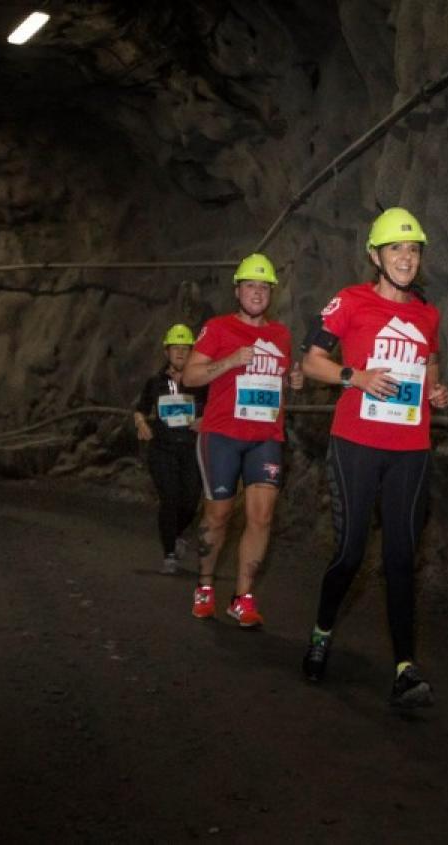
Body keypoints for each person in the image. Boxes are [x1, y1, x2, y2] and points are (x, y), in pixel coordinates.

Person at [298, 207, 448, 707]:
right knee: (350, 554)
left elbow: (429, 362)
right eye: (396, 249)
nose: (406, 258)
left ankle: (406, 668)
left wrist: (434, 391)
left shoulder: (427, 313)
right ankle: (322, 632)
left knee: (403, 557)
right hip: (357, 444)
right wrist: (355, 377)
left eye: (413, 250)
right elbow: (312, 360)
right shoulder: (351, 301)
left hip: (410, 448)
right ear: (375, 255)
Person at [181, 254, 302, 627]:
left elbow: (276, 379)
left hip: (265, 435)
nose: (257, 292)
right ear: (238, 290)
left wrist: (292, 381)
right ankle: (205, 585)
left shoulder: (280, 334)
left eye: (264, 287)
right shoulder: (218, 329)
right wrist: (231, 359)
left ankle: (243, 597)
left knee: (261, 517)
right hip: (221, 435)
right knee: (218, 516)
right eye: (251, 285)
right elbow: (190, 377)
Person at [134, 325, 205, 574]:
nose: (180, 353)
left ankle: (174, 535)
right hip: (162, 449)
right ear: (167, 351)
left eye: (186, 349)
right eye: (176, 348)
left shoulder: (201, 383)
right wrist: (141, 422)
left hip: (191, 449)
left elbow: (218, 408)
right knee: (170, 498)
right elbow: (140, 408)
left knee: (190, 501)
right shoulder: (154, 383)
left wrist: (206, 421)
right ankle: (170, 555)